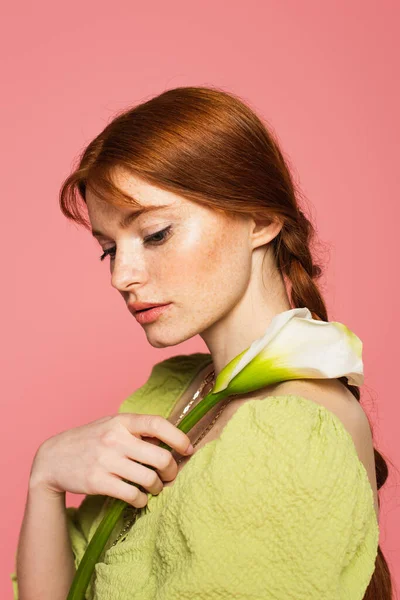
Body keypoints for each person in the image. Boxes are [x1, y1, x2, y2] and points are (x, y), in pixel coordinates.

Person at [11, 86, 392, 599]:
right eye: (108, 250)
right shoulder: (180, 389)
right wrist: (46, 478)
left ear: (259, 220)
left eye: (155, 234)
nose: (121, 276)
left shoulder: (292, 432)